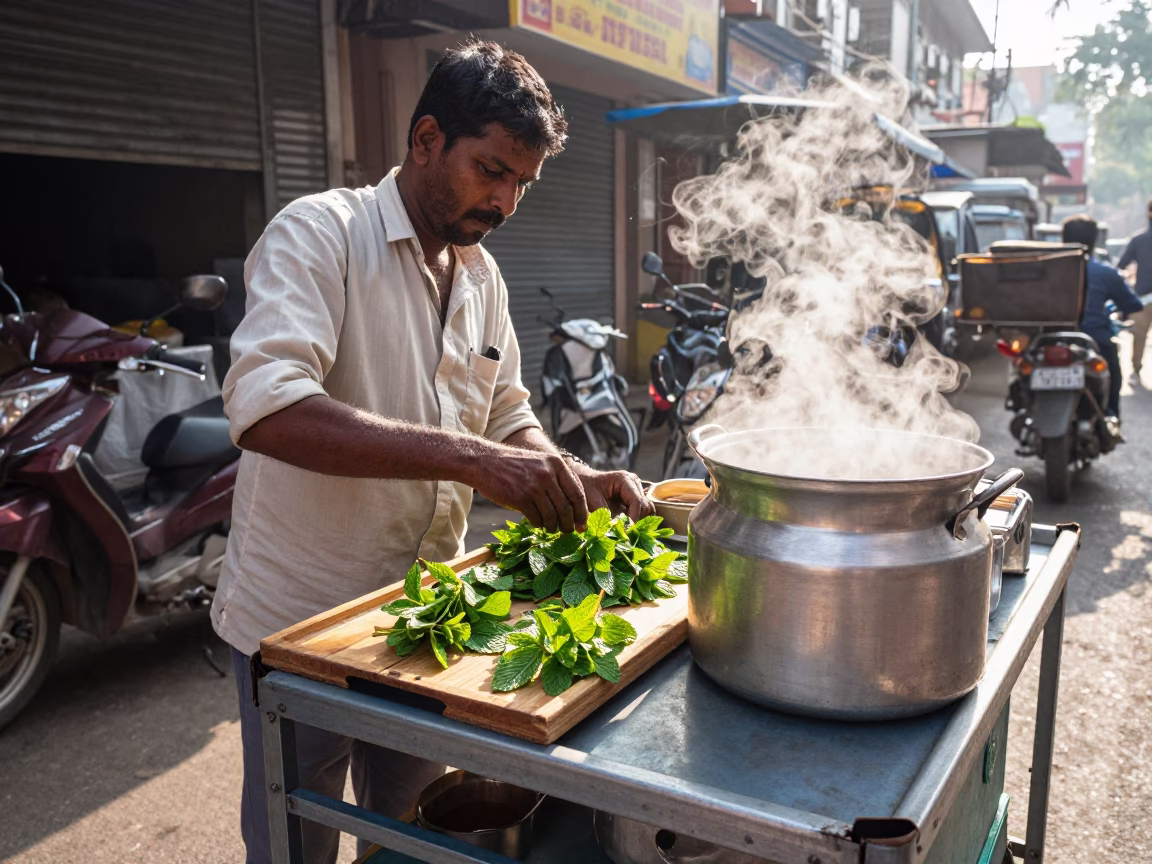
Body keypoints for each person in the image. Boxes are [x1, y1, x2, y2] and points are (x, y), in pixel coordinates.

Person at [213, 39, 653, 864]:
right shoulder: (320, 235)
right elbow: (267, 409)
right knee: (293, 845)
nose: (506, 200)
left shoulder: (483, 278)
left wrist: (568, 472)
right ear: (424, 142)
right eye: (490, 170)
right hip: (297, 629)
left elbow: (507, 412)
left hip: (423, 628)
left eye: (521, 182)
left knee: (410, 839)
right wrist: (475, 460)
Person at [1063, 215, 1144, 419]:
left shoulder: (1043, 269)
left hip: (1048, 339)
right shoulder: (1105, 272)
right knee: (1114, 373)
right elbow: (1132, 303)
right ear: (1093, 240)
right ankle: (1110, 415)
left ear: (1063, 239)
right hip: (1094, 339)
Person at [1116, 200, 1152, 378]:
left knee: (1139, 336)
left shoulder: (1139, 240)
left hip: (1143, 297)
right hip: (1143, 297)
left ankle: (1136, 367)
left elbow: (1120, 266)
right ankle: (1136, 367)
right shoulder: (1138, 240)